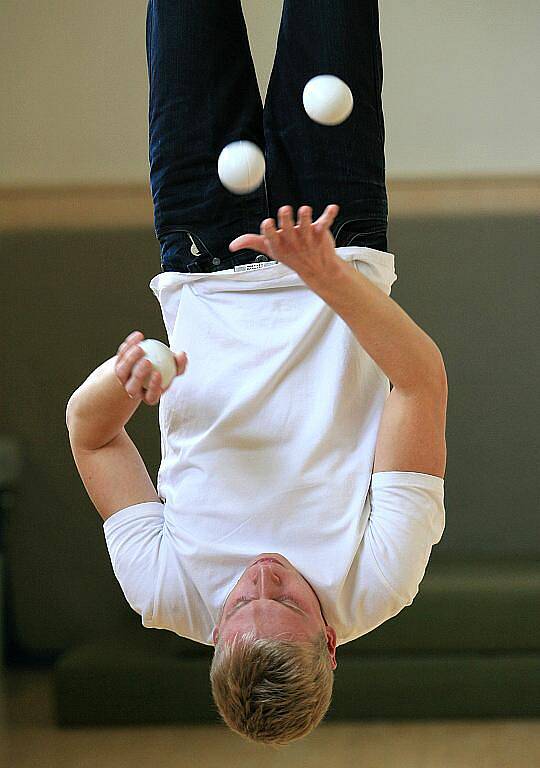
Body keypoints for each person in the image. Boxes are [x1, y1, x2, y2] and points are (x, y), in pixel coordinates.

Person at [67, 0, 448, 748]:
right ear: (330, 641)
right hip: (331, 232)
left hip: (201, 242)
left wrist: (122, 380)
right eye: (291, 601)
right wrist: (325, 272)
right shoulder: (379, 579)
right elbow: (421, 382)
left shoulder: (167, 590)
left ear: (215, 635)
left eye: (243, 603)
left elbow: (92, 439)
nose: (266, 575)